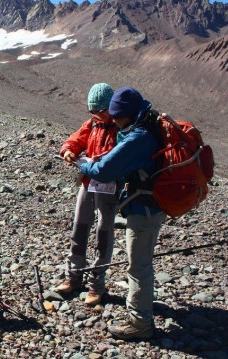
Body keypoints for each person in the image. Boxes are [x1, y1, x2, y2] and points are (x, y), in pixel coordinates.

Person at [78, 87, 166, 340]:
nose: (114, 121)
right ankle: (142, 313)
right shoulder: (147, 124)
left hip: (144, 209)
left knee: (138, 267)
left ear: (128, 114)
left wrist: (84, 163)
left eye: (117, 117)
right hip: (148, 205)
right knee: (140, 263)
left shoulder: (138, 137)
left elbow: (105, 170)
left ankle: (140, 323)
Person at [55, 83, 119, 306]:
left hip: (110, 186)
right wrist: (68, 150)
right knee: (79, 227)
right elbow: (75, 139)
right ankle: (73, 276)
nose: (97, 115)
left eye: (100, 111)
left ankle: (97, 285)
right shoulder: (92, 123)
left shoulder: (122, 126)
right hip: (88, 182)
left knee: (104, 233)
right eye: (93, 111)